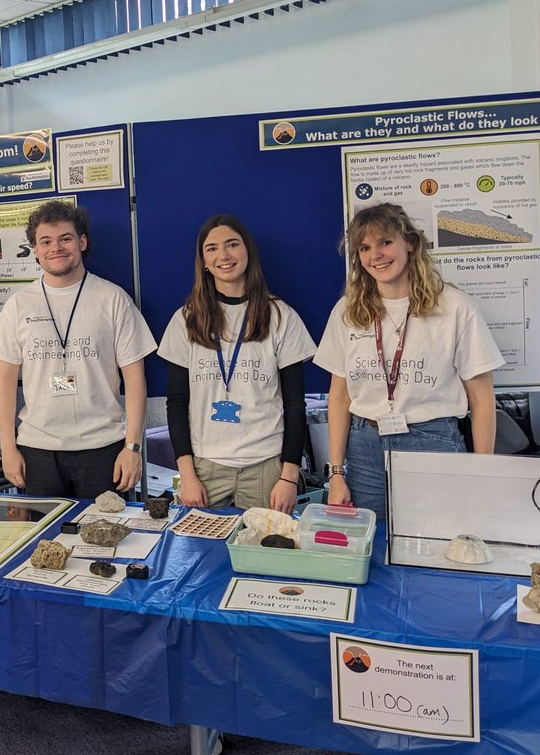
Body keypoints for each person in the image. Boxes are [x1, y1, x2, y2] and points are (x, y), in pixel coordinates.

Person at [314, 202, 503, 519]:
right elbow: (339, 396)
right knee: (373, 547)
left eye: (385, 242)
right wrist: (336, 473)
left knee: (440, 544)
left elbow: (482, 399)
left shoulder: (455, 307)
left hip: (432, 441)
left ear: (410, 244)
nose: (376, 255)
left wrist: (481, 472)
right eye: (364, 248)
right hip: (364, 447)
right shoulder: (348, 311)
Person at [0, 200, 156, 499]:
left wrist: (132, 447)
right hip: (37, 451)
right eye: (45, 241)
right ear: (34, 250)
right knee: (44, 542)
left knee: (104, 541)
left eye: (65, 238)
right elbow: (5, 381)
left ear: (82, 241)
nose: (56, 248)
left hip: (102, 448)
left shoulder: (112, 299)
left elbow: (135, 377)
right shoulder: (19, 304)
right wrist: (9, 448)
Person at [158, 215, 315, 513]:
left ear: (248, 252)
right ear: (203, 261)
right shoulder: (187, 319)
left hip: (266, 466)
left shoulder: (280, 316)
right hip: (205, 468)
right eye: (212, 248)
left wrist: (289, 477)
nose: (224, 255)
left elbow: (295, 404)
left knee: (265, 555)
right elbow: (176, 403)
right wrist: (187, 475)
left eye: (232, 245)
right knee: (199, 553)